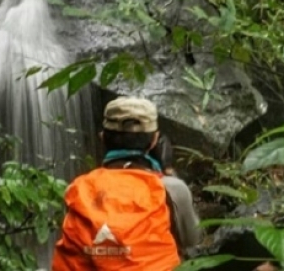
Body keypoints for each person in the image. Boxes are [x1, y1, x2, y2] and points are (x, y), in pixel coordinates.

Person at [52, 97, 201, 270]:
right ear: (154, 141)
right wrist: (168, 172)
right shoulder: (171, 188)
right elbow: (192, 239)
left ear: (102, 138)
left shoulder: (77, 189)